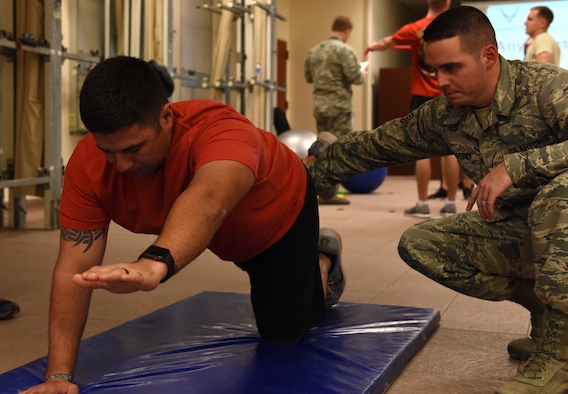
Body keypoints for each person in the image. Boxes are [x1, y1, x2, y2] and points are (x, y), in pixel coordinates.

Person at [309, 6, 568, 393]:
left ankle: (560, 362)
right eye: (434, 70)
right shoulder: (447, 114)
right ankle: (546, 316)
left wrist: (519, 165)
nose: (441, 81)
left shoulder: (546, 88)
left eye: (453, 68)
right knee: (422, 243)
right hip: (525, 230)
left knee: (567, 190)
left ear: (488, 56)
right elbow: (378, 145)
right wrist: (301, 176)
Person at [21, 56, 345, 394]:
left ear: (166, 115)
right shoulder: (88, 165)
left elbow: (208, 202)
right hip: (221, 233)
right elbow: (73, 266)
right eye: (108, 151)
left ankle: (322, 252)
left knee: (284, 330)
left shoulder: (221, 130)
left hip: (277, 212)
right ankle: (313, 164)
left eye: (134, 149)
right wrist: (58, 376)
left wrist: (152, 264)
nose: (120, 165)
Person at [365, 0, 459, 217]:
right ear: (447, 2)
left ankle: (422, 204)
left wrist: (373, 45)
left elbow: (387, 43)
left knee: (421, 151)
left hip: (421, 96)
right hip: (449, 94)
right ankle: (451, 204)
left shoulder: (416, 28)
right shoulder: (454, 26)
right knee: (452, 150)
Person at [304, 16, 366, 140]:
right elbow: (355, 77)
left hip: (320, 107)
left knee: (323, 145)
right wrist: (362, 74)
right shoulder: (345, 50)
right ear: (347, 31)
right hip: (339, 108)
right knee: (342, 146)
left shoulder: (314, 51)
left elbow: (309, 78)